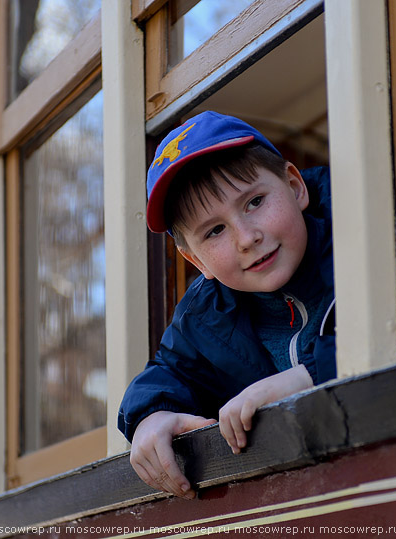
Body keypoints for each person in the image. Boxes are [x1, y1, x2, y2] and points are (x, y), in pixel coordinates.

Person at [118, 111, 336, 499]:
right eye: (215, 230)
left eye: (254, 202)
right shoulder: (204, 317)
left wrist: (308, 377)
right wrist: (151, 417)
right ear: (197, 262)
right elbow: (167, 371)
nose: (246, 238)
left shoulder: (362, 227)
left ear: (294, 186)